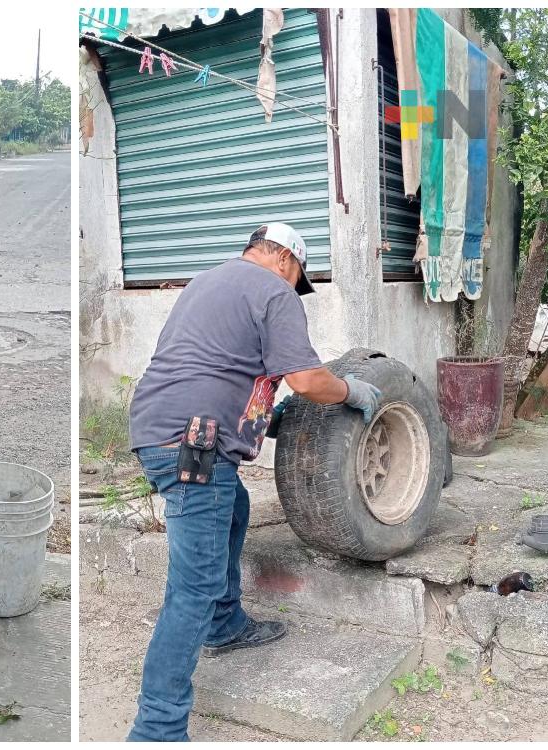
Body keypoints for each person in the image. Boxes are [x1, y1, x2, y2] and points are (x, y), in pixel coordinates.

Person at [126, 222, 382, 742]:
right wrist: (351, 391)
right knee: (192, 588)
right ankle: (157, 729)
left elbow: (221, 370)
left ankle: (225, 624)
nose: (294, 288)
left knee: (235, 507)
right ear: (286, 259)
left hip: (157, 431)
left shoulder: (206, 282)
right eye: (297, 277)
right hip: (194, 448)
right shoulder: (273, 290)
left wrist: (269, 417)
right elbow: (306, 378)